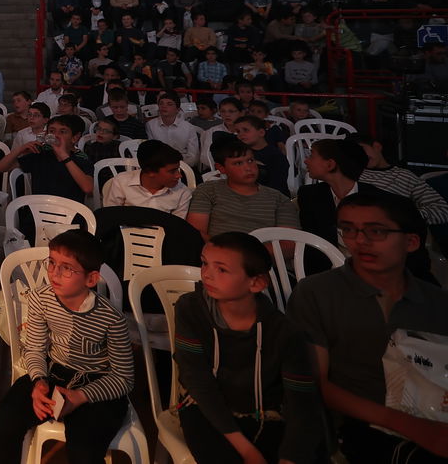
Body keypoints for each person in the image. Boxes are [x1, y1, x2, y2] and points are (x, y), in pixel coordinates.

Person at [289, 190, 448, 462]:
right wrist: (411, 426)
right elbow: (315, 383)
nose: (360, 241)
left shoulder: (435, 301)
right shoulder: (317, 292)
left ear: (410, 242)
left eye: (376, 232)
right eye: (349, 230)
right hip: (359, 425)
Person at [176, 232, 324, 464]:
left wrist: (290, 457)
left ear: (256, 283)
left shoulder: (285, 332)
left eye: (221, 269)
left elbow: (301, 401)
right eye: (205, 263)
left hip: (266, 413)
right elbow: (197, 380)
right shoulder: (190, 308)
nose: (207, 274)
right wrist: (246, 450)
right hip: (205, 409)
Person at [0, 229, 134, 464]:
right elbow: (35, 348)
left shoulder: (111, 319)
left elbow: (123, 378)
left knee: (84, 447)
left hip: (98, 382)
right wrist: (38, 382)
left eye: (67, 268)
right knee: (5, 419)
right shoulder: (40, 299)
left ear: (91, 279)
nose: (54, 273)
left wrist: (80, 396)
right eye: (52, 263)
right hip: (55, 372)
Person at [187, 135, 299, 239]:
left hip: (261, 256)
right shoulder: (208, 190)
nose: (248, 168)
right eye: (238, 163)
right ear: (221, 168)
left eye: (250, 161)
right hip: (216, 255)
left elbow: (290, 243)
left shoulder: (279, 199)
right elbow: (197, 234)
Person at [0, 113, 95, 204]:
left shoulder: (81, 159)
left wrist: (63, 155)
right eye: (52, 131)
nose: (56, 135)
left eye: (62, 132)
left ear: (75, 138)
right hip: (39, 212)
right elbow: (1, 167)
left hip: (69, 215)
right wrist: (20, 150)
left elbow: (88, 188)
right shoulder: (41, 155)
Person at [100, 140, 192, 217]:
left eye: (178, 170)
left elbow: (178, 227)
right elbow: (110, 216)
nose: (179, 175)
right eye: (172, 171)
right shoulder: (122, 182)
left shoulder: (182, 193)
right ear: (150, 172)